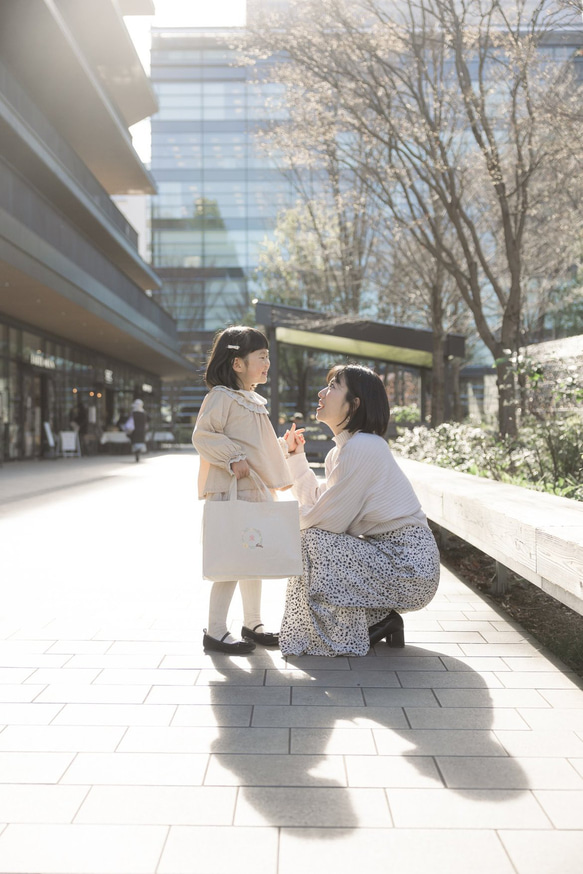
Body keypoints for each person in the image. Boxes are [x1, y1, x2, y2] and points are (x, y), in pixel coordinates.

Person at [280, 364, 440, 657]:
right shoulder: (340, 451)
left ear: (354, 404)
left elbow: (328, 521)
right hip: (387, 558)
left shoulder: (364, 447)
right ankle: (377, 621)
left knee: (312, 540)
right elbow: (321, 503)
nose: (322, 392)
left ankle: (350, 628)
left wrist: (284, 525)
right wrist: (296, 457)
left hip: (410, 567)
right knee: (311, 539)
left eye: (333, 386)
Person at [192, 326, 293, 655]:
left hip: (253, 492)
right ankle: (216, 629)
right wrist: (232, 458)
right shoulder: (221, 397)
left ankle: (252, 622)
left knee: (253, 557)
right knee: (231, 560)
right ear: (237, 363)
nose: (267, 364)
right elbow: (203, 436)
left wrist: (284, 447)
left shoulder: (251, 399)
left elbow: (256, 446)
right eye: (261, 357)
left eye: (268, 357)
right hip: (232, 492)